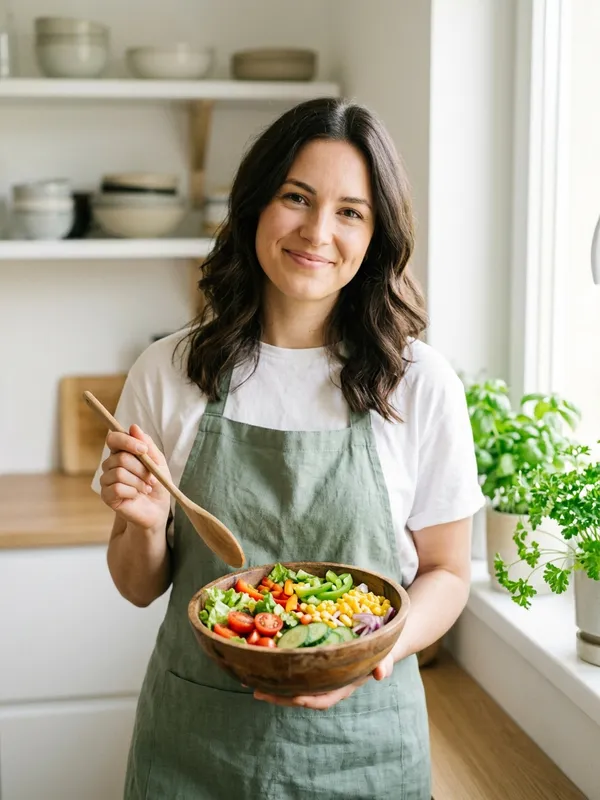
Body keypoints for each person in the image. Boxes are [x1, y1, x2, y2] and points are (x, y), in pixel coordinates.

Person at [93, 96, 484, 799]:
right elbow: (137, 584)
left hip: (365, 741)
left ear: (377, 235)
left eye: (350, 212)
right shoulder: (169, 370)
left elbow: (449, 573)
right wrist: (144, 524)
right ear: (254, 205)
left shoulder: (421, 383)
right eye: (296, 197)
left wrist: (366, 652)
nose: (317, 231)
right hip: (195, 745)